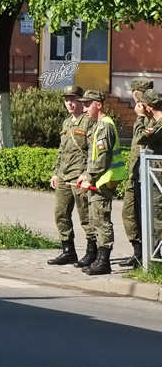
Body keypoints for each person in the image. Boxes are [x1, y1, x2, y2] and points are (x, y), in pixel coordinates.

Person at [77, 90, 128, 275]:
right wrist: (85, 174)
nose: (84, 108)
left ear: (98, 104)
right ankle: (99, 258)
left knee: (101, 220)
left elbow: (103, 158)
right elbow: (94, 157)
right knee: (96, 219)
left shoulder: (105, 126)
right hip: (100, 178)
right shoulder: (99, 125)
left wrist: (89, 177)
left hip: (105, 179)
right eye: (83, 104)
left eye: (87, 104)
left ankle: (104, 262)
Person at [46, 85, 94, 266]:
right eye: (67, 99)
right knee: (60, 213)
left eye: (73, 99)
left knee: (86, 216)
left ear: (81, 101)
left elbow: (92, 152)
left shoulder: (88, 122)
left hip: (79, 176)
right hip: (64, 176)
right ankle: (68, 251)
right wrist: (56, 173)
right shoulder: (66, 123)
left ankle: (92, 251)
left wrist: (88, 174)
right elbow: (61, 150)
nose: (70, 103)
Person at [120, 77, 154, 268]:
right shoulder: (141, 114)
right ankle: (138, 252)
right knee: (129, 212)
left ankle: (149, 256)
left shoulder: (151, 116)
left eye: (134, 92)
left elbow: (143, 138)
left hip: (148, 176)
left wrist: (141, 117)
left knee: (148, 216)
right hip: (135, 173)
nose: (133, 96)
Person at [136, 88, 162, 260]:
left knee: (158, 216)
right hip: (155, 176)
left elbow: (140, 137)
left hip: (158, 177)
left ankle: (156, 257)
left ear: (149, 107)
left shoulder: (158, 124)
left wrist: (140, 117)